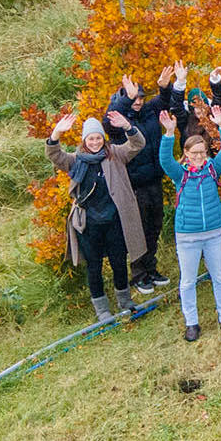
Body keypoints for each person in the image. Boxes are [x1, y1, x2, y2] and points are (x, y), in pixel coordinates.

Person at [46, 110, 149, 323]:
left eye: (98, 138)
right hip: (88, 224)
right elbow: (54, 155)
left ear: (103, 138)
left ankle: (125, 302)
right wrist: (56, 133)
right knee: (94, 267)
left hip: (114, 221)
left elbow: (138, 144)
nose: (95, 142)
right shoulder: (75, 160)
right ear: (84, 140)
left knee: (119, 262)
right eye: (91, 139)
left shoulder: (115, 154)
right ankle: (102, 310)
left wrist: (127, 126)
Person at [158, 106, 221, 340]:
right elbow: (165, 160)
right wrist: (169, 133)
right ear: (187, 153)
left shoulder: (212, 169)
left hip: (214, 234)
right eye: (195, 153)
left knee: (219, 277)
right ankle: (191, 323)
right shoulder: (180, 174)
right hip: (188, 237)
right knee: (188, 281)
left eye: (202, 152)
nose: (199, 157)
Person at [107, 68, 182, 295]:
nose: (138, 102)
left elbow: (165, 100)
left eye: (140, 97)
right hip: (134, 184)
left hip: (154, 179)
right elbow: (108, 122)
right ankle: (139, 274)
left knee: (154, 225)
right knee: (137, 229)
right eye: (134, 98)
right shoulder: (119, 120)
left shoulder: (149, 111)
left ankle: (151, 268)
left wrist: (164, 86)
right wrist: (126, 100)